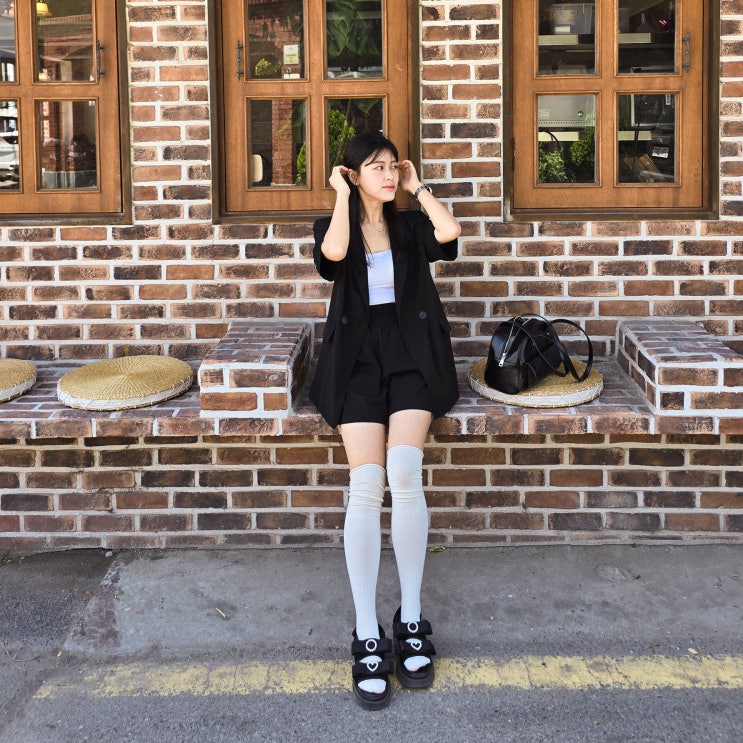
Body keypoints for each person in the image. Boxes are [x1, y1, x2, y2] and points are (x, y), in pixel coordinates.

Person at [310, 132, 461, 710]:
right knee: (367, 484)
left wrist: (419, 189)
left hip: (412, 358)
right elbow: (333, 258)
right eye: (376, 167)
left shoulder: (409, 225)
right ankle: (367, 629)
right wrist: (342, 197)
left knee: (404, 472)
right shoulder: (334, 226)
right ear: (353, 174)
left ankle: (412, 616)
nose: (389, 174)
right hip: (356, 364)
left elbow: (449, 233)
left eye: (392, 166)